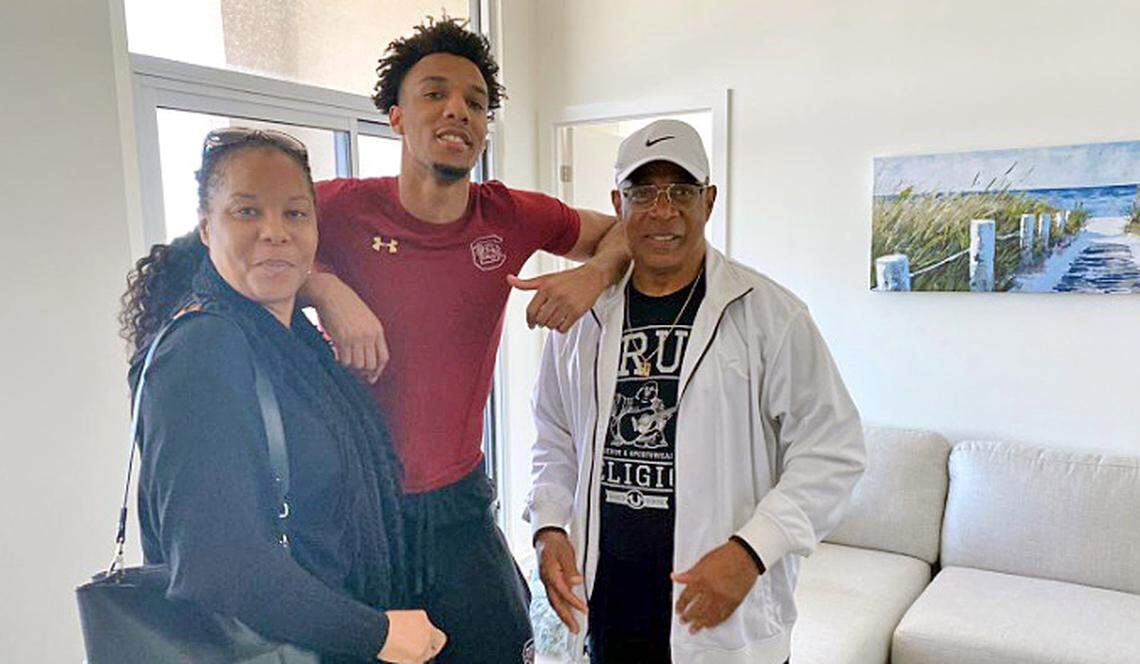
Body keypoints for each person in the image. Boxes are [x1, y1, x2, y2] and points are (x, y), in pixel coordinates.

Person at [300, 17, 629, 663]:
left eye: (476, 102)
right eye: (435, 93)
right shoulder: (337, 208)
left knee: (506, 648)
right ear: (395, 117)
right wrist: (323, 288)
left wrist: (593, 275)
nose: (459, 110)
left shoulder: (508, 214)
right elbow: (233, 242)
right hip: (354, 513)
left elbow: (621, 230)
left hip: (460, 506)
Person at [526, 119, 866, 664]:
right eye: (643, 192)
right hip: (609, 603)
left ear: (708, 201)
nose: (663, 211)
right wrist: (548, 525)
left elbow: (833, 450)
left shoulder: (769, 315)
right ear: (618, 203)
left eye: (681, 190)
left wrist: (751, 551)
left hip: (719, 607)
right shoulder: (585, 317)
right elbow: (554, 436)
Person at [119, 128, 445, 664]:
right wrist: (372, 632)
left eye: (295, 214)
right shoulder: (203, 348)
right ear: (206, 227)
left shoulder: (292, 338)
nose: (275, 232)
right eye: (247, 212)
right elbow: (217, 561)